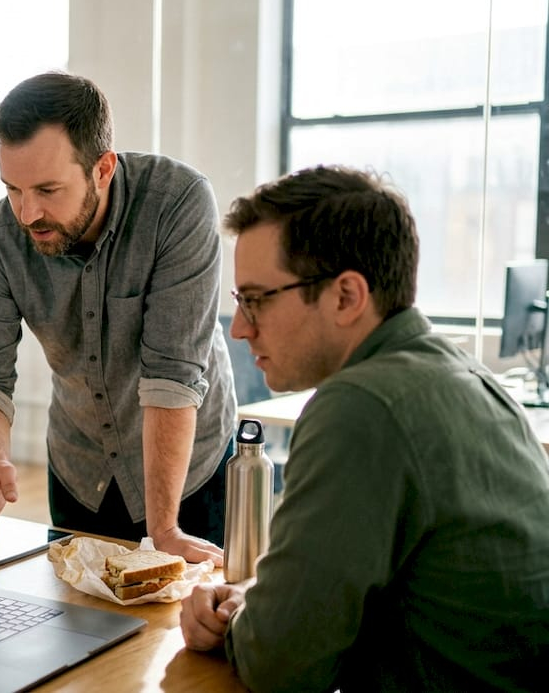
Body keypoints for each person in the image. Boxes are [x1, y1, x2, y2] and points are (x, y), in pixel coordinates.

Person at [179, 165, 549, 690]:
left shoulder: (359, 409)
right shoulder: (460, 373)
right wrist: (260, 601)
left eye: (257, 299)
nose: (239, 329)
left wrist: (241, 623)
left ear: (347, 296)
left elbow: (279, 664)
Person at [0, 71, 235, 564]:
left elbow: (172, 376)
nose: (27, 213)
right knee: (81, 630)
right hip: (82, 473)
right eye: (13, 189)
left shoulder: (178, 202)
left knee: (195, 634)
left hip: (191, 473)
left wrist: (163, 528)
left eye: (47, 189)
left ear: (103, 169)